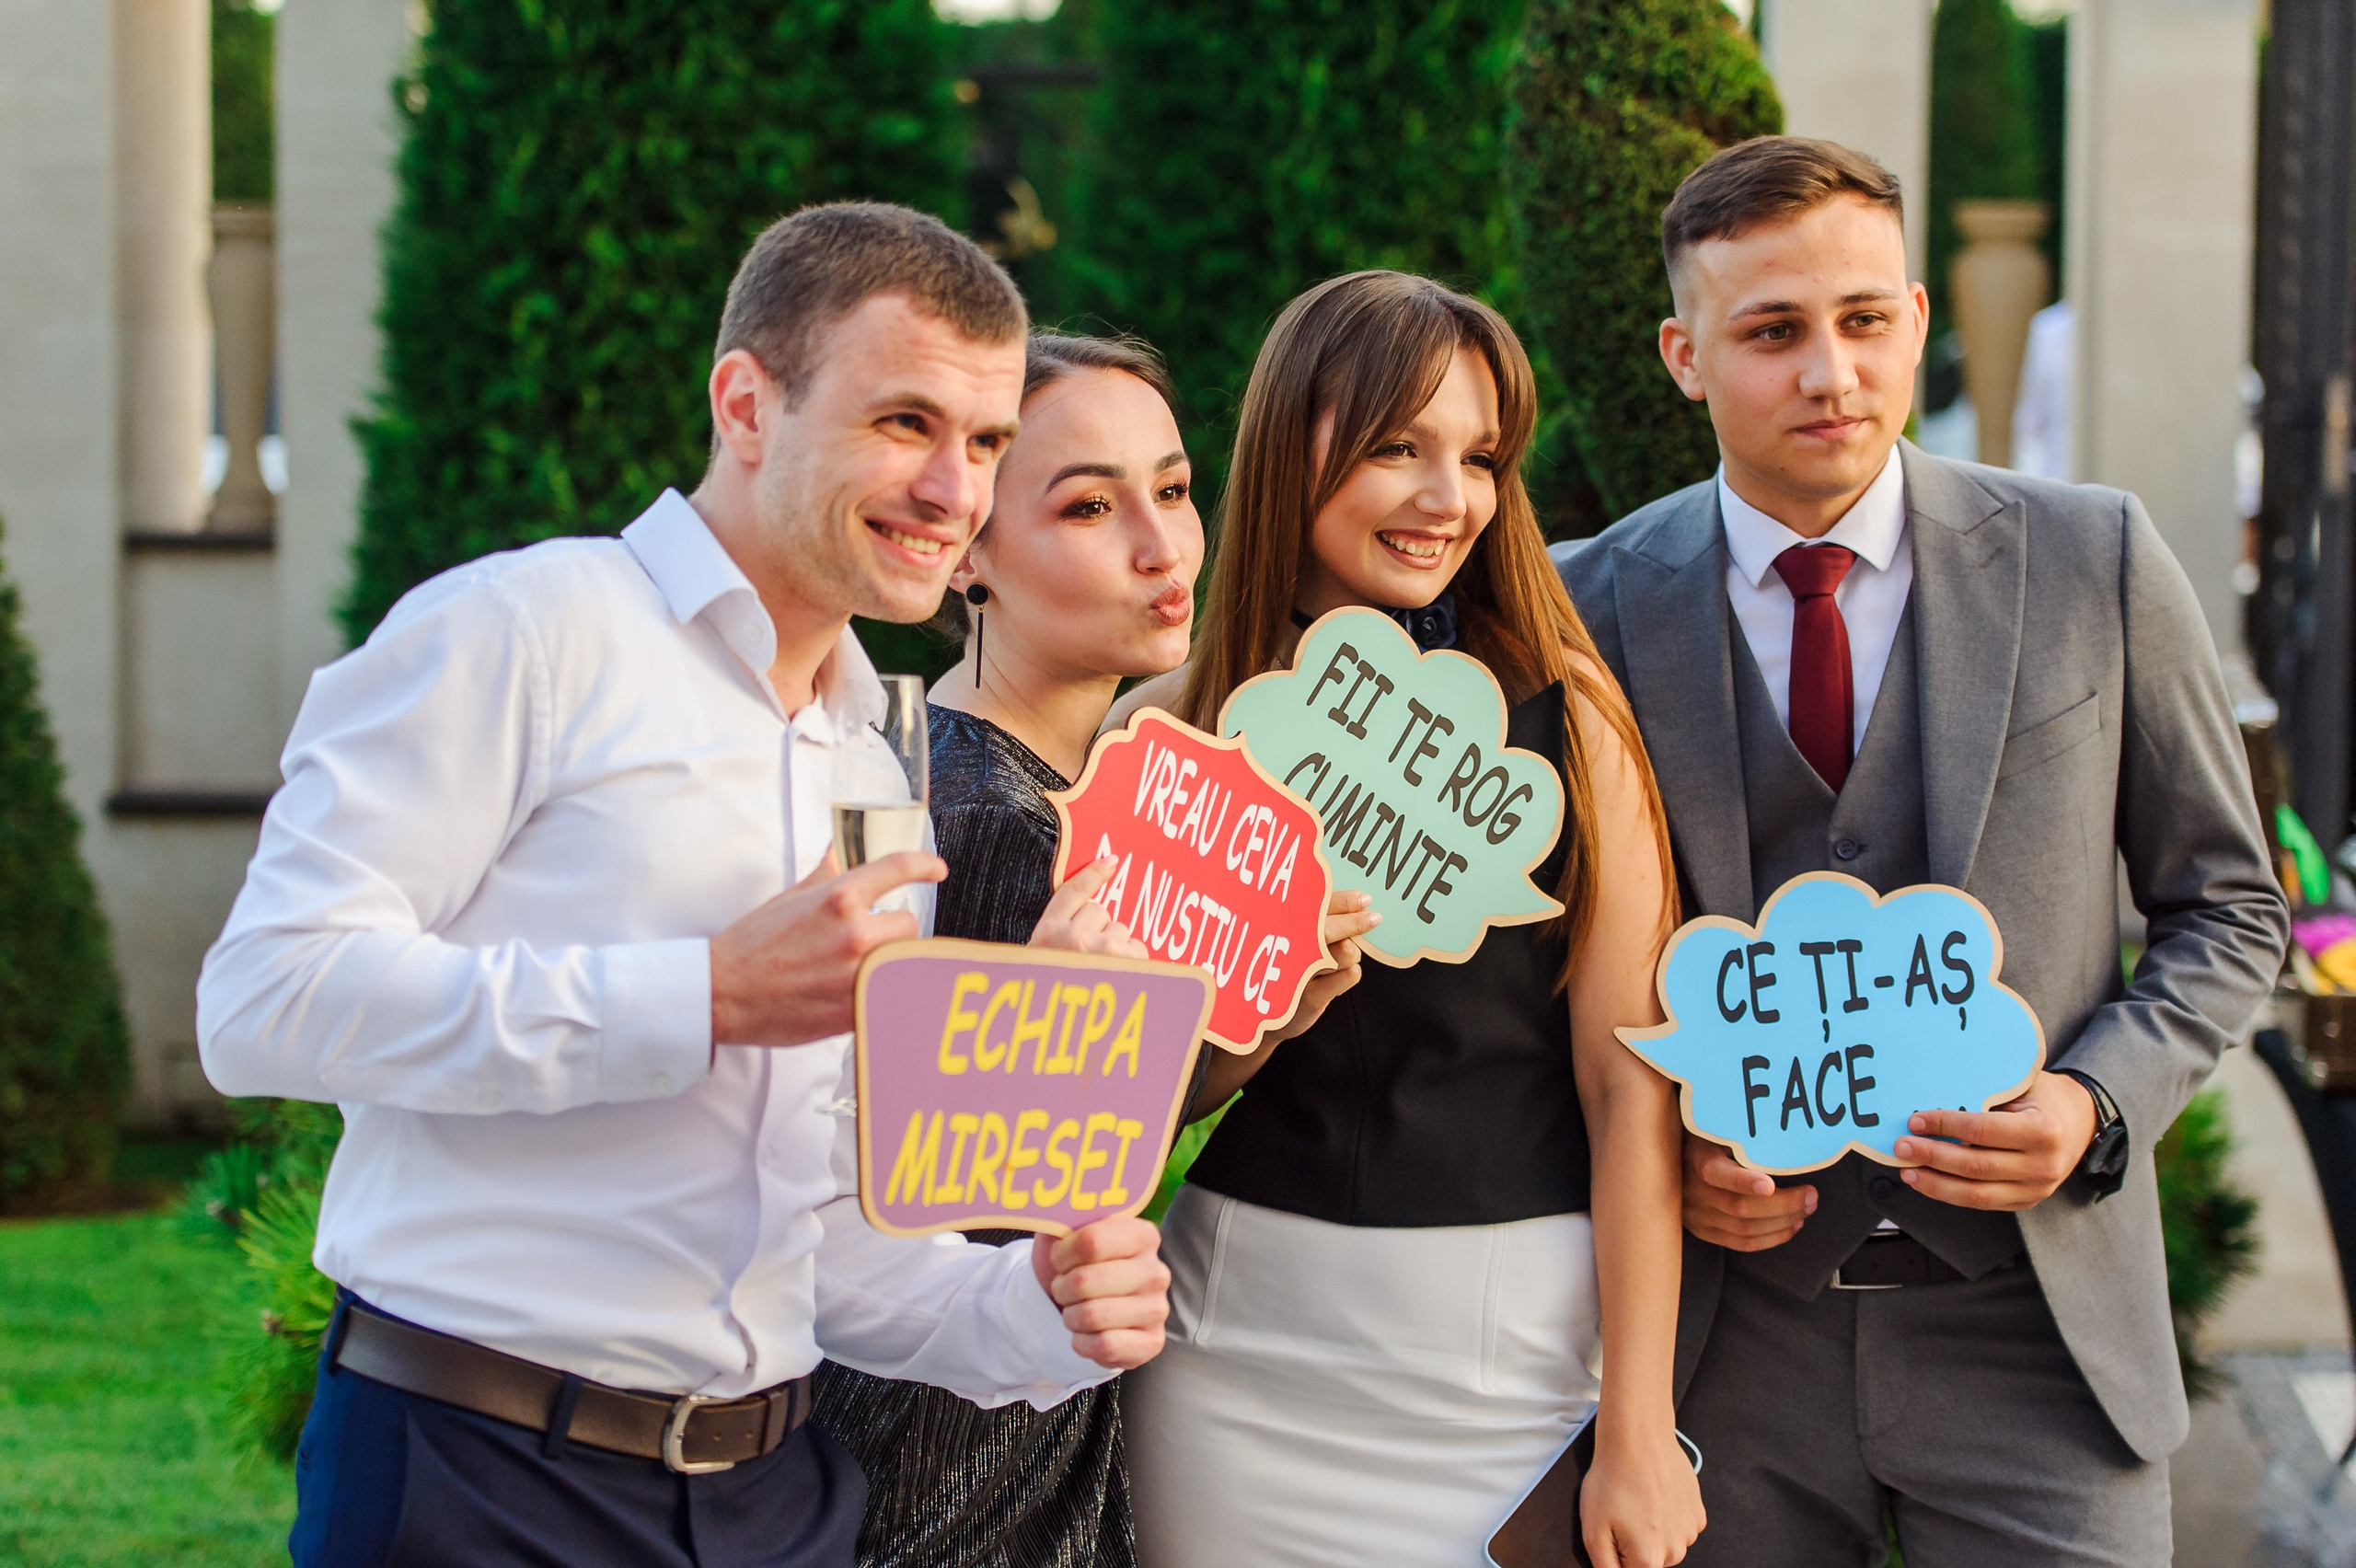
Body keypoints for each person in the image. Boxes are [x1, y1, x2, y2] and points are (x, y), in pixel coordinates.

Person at [197, 204, 1175, 1568]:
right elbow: (265, 999)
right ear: (747, 405)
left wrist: (1037, 1307)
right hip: (476, 1479)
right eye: (905, 423)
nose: (954, 489)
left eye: (987, 442)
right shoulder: (525, 633)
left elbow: (826, 1232)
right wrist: (702, 996)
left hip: (773, 1502)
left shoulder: (875, 768)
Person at [1559, 136, 2289, 1565]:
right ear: (1685, 356)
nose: (1830, 373)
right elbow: (1533, 989)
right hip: (1726, 1345)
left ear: (1913, 318)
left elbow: (2230, 907)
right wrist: (1663, 1155)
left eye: (1863, 320)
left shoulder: (2096, 560)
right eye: (1773, 332)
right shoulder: (1586, 608)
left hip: (2037, 1334)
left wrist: (2093, 1105)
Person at [1113, 270, 1704, 1568]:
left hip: (1509, 1373)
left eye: (1480, 458)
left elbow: (1630, 1090)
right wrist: (1266, 1016)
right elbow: (1128, 1104)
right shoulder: (1172, 728)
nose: (1448, 498)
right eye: (1398, 447)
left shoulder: (1570, 720)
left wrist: (1640, 1427)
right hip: (1232, 1357)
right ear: (1292, 443)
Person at [805, 331, 1196, 1568]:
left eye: (1175, 489)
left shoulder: (975, 776)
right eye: (1091, 506)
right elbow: (959, 1222)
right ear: (967, 549)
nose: (1162, 546)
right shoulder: (999, 824)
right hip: (964, 1483)